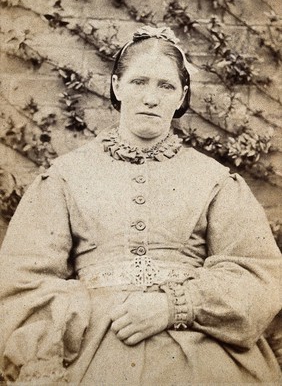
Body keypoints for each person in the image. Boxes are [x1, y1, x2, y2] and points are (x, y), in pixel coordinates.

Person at [0, 25, 281, 385]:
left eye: (165, 86)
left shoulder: (215, 181)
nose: (151, 97)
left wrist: (174, 306)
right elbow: (23, 280)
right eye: (139, 82)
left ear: (181, 97)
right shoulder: (65, 176)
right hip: (94, 345)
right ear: (117, 86)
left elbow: (257, 275)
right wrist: (83, 313)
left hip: (200, 348)